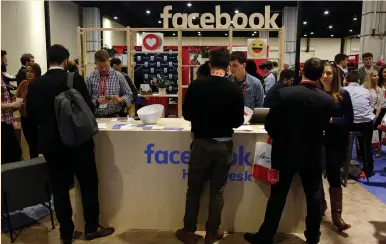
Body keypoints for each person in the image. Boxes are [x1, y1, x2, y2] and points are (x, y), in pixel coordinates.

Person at [27, 44, 115, 244]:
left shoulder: (35, 85)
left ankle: (66, 233)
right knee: (88, 184)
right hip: (78, 143)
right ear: (66, 60)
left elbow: (32, 117)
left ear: (48, 60)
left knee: (59, 188)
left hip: (52, 146)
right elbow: (86, 109)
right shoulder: (73, 79)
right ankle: (91, 227)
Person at [244, 58, 335, 244]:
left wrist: (281, 139)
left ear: (302, 71)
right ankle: (313, 236)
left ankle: (266, 235)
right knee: (314, 197)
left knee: (277, 197)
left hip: (285, 151)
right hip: (313, 154)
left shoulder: (285, 94)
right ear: (320, 76)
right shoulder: (327, 100)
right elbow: (326, 128)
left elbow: (270, 123)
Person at [176, 48, 244, 244]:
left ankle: (189, 231)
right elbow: (238, 121)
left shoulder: (197, 86)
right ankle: (212, 233)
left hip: (201, 143)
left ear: (209, 63)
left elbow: (187, 115)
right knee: (217, 191)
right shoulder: (234, 89)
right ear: (227, 65)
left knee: (194, 189)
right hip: (224, 146)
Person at [317, 61, 353, 231]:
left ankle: (337, 216)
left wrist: (332, 121)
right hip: (316, 140)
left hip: (335, 141)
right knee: (315, 175)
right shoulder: (314, 93)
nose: (325, 76)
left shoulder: (343, 94)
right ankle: (321, 205)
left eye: (329, 73)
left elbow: (349, 118)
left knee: (333, 175)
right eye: (323, 73)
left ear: (335, 75)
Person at [344, 70, 375, 177]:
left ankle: (345, 166)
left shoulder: (343, 90)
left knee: (344, 144)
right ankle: (369, 170)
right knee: (367, 145)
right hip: (366, 123)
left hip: (351, 123)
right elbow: (370, 106)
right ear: (358, 80)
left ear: (346, 80)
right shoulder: (366, 91)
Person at [85, 50, 133, 118]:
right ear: (95, 63)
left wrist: (120, 99)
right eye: (100, 66)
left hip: (115, 116)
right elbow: (85, 100)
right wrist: (96, 101)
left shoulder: (118, 76)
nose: (104, 69)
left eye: (106, 65)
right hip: (95, 116)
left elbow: (129, 94)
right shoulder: (90, 78)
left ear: (109, 62)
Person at [15, 63, 41, 159]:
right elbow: (16, 98)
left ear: (37, 73)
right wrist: (17, 103)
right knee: (31, 144)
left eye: (32, 71)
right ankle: (34, 164)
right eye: (27, 71)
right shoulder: (24, 84)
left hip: (38, 119)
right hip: (26, 118)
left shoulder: (40, 84)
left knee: (37, 144)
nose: (29, 73)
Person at [1, 72, 22, 164]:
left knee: (14, 154)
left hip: (7, 123)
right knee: (13, 155)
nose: (6, 63)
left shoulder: (2, 78)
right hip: (3, 125)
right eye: (4, 61)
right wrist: (13, 104)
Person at [363, 69, 383, 157]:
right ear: (369, 77)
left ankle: (378, 150)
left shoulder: (379, 89)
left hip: (376, 113)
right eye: (374, 75)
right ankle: (364, 151)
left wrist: (376, 117)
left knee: (377, 132)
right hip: (366, 113)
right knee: (366, 134)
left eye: (377, 75)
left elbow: (380, 104)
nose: (377, 77)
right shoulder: (364, 88)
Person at [377, 66, 386, 155]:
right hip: (380, 109)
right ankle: (379, 150)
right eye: (384, 72)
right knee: (379, 129)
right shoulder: (378, 84)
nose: (385, 74)